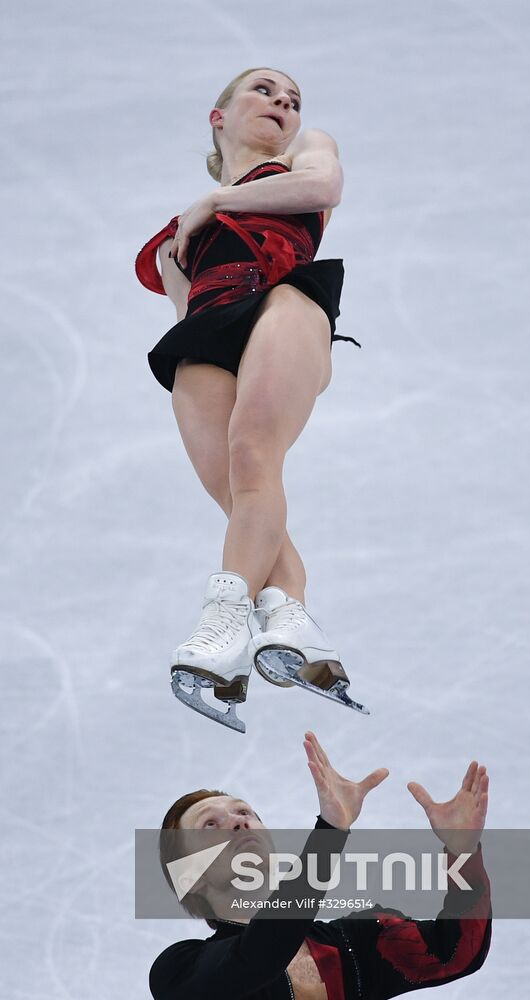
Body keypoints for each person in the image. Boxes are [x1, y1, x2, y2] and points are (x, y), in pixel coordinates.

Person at [135, 68, 361, 706]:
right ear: (219, 116)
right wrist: (200, 215)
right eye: (264, 91)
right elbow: (185, 310)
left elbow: (325, 187)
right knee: (240, 494)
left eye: (291, 99)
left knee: (254, 459)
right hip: (208, 331)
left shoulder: (305, 153)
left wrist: (216, 202)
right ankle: (294, 624)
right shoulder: (172, 244)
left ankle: (221, 626)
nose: (284, 104)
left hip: (284, 304)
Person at [150, 732, 492, 999]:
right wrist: (329, 833)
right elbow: (259, 957)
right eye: (210, 824)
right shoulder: (178, 970)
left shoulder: (356, 940)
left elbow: (455, 952)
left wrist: (462, 852)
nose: (238, 822)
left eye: (244, 812)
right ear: (190, 877)